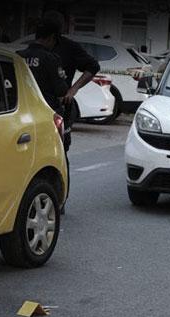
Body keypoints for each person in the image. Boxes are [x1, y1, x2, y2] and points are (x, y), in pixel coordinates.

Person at [43, 10, 101, 198]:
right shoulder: (34, 48)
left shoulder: (69, 48)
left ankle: (60, 197)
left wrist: (73, 89)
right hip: (36, 109)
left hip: (61, 109)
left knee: (60, 151)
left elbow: (93, 67)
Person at [16, 19, 69, 116]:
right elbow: (61, 89)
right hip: (45, 108)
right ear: (51, 38)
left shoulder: (19, 56)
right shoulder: (51, 58)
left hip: (21, 107)